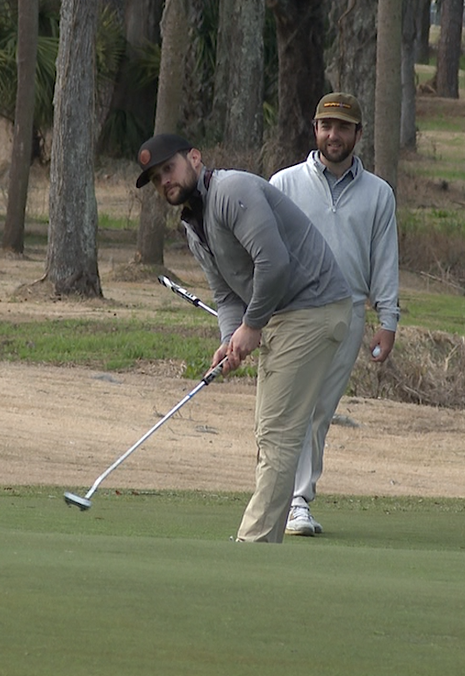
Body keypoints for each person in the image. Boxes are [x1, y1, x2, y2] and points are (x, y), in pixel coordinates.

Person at [134, 133, 353, 543]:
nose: (165, 180)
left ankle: (253, 545)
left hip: (313, 308)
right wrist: (230, 338)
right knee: (271, 433)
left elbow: (273, 263)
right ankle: (262, 543)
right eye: (156, 177)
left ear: (194, 158)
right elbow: (226, 293)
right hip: (288, 314)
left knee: (277, 434)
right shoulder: (194, 224)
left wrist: (252, 327)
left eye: (169, 168)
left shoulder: (232, 191)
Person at [269, 92, 400, 536]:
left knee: (319, 409)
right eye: (326, 126)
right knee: (287, 407)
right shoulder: (284, 184)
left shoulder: (379, 194)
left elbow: (384, 261)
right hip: (292, 311)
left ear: (358, 134)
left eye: (343, 127)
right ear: (315, 129)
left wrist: (388, 320)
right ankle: (285, 498)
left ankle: (297, 500)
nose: (333, 135)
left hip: (347, 312)